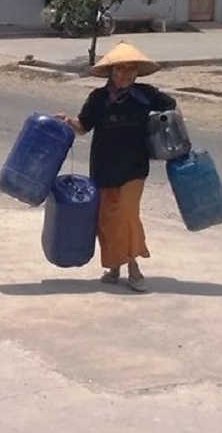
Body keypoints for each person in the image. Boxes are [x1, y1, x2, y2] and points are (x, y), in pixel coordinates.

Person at [55, 42, 177, 292]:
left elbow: (171, 107)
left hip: (134, 168)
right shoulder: (98, 99)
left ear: (136, 73)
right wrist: (69, 122)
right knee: (107, 220)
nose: (124, 76)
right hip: (103, 168)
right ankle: (114, 267)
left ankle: (133, 268)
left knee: (126, 216)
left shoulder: (146, 95)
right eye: (119, 71)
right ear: (111, 72)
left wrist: (171, 135)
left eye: (130, 71)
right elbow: (83, 126)